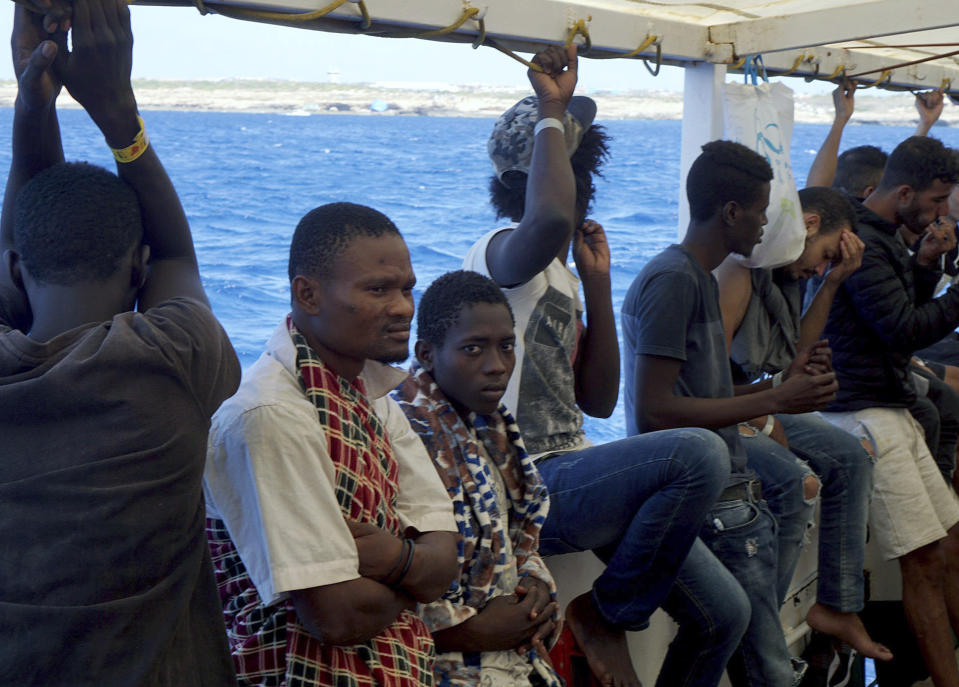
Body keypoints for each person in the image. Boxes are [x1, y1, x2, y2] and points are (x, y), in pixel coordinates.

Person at [463, 45, 734, 687]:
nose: (584, 187)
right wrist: (553, 106)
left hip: (574, 469)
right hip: (529, 484)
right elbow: (549, 213)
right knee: (697, 454)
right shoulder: (499, 256)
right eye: (569, 170)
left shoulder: (557, 273)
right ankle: (605, 615)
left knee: (724, 614)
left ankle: (612, 617)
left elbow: (599, 400)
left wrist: (599, 286)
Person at [0, 3, 241, 685]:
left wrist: (32, 101)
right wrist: (119, 117)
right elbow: (177, 258)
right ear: (137, 270)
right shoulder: (171, 360)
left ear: (17, 272)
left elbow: (15, 255)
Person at [204, 201, 459, 686]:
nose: (404, 306)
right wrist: (415, 577)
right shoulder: (271, 416)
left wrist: (395, 560)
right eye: (378, 289)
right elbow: (336, 616)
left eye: (406, 288)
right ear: (308, 294)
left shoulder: (374, 393)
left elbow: (445, 557)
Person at [623, 140, 842, 687]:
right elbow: (655, 411)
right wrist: (774, 401)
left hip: (729, 487)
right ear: (731, 213)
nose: (766, 225)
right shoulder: (674, 279)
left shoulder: (696, 276)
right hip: (711, 498)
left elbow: (702, 389)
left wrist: (783, 383)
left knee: (732, 638)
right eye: (763, 212)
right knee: (769, 668)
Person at [714, 185, 892, 661]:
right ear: (808, 225)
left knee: (850, 459)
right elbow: (705, 387)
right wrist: (771, 419)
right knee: (793, 482)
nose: (817, 267)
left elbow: (793, 357)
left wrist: (832, 281)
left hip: (755, 404)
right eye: (825, 255)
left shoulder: (786, 278)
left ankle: (838, 604)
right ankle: (760, 630)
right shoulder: (737, 276)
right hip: (717, 416)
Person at [819, 135, 959, 686]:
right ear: (904, 193)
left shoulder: (883, 239)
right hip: (862, 414)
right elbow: (902, 330)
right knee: (923, 561)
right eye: (936, 202)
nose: (943, 213)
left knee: (950, 539)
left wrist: (924, 267)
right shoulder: (865, 244)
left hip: (890, 404)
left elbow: (897, 319)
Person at [394, 269, 562, 687]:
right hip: (439, 665)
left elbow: (516, 535)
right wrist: (470, 631)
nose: (497, 366)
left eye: (506, 346)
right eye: (473, 349)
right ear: (427, 353)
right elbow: (391, 572)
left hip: (509, 655)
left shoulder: (493, 428)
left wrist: (536, 587)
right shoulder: (400, 430)